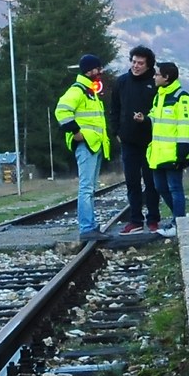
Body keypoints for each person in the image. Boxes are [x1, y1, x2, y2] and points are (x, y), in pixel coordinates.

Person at [53, 54, 112, 245]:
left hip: (93, 145)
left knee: (90, 188)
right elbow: (61, 111)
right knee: (86, 188)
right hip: (87, 145)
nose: (100, 72)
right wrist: (76, 132)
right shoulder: (78, 90)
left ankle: (90, 226)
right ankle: (87, 228)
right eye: (98, 68)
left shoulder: (89, 91)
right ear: (89, 70)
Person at [105, 47, 160, 235]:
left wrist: (145, 120)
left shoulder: (155, 83)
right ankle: (135, 220)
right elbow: (114, 109)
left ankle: (154, 219)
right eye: (134, 62)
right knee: (132, 182)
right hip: (128, 141)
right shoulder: (121, 82)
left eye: (140, 63)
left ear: (148, 65)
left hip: (151, 141)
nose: (136, 66)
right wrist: (116, 132)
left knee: (152, 182)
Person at [145, 61, 189, 236]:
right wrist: (145, 119)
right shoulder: (159, 96)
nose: (154, 76)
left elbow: (185, 125)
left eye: (157, 74)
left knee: (175, 187)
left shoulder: (181, 98)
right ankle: (179, 218)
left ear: (166, 78)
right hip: (158, 154)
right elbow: (155, 118)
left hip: (173, 153)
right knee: (160, 187)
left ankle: (178, 223)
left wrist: (182, 152)